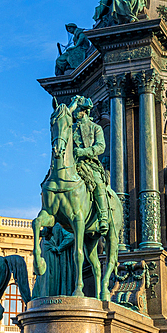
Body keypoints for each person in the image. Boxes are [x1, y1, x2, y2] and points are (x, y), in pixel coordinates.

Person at [71, 97, 109, 234]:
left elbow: (100, 147)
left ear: (84, 111)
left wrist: (83, 151)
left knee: (98, 183)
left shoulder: (96, 128)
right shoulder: (71, 128)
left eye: (77, 109)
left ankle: (103, 216)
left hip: (90, 164)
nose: (74, 112)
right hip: (73, 164)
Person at [39, 224, 77, 297]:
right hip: (48, 264)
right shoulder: (50, 229)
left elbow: (71, 237)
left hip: (56, 263)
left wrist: (59, 248)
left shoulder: (59, 224)